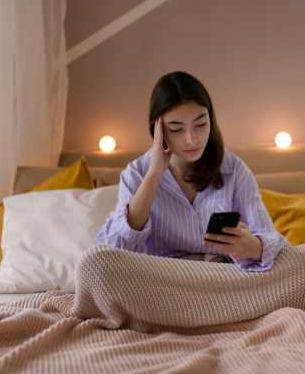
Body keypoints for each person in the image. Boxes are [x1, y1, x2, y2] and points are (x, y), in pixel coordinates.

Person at [96, 71, 289, 271]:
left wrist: (255, 248)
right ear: (158, 129)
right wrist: (153, 175)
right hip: (163, 283)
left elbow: (275, 243)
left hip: (224, 280)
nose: (192, 139)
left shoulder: (234, 170)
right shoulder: (136, 173)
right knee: (92, 263)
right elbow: (115, 251)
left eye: (200, 124)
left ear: (211, 119)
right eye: (176, 129)